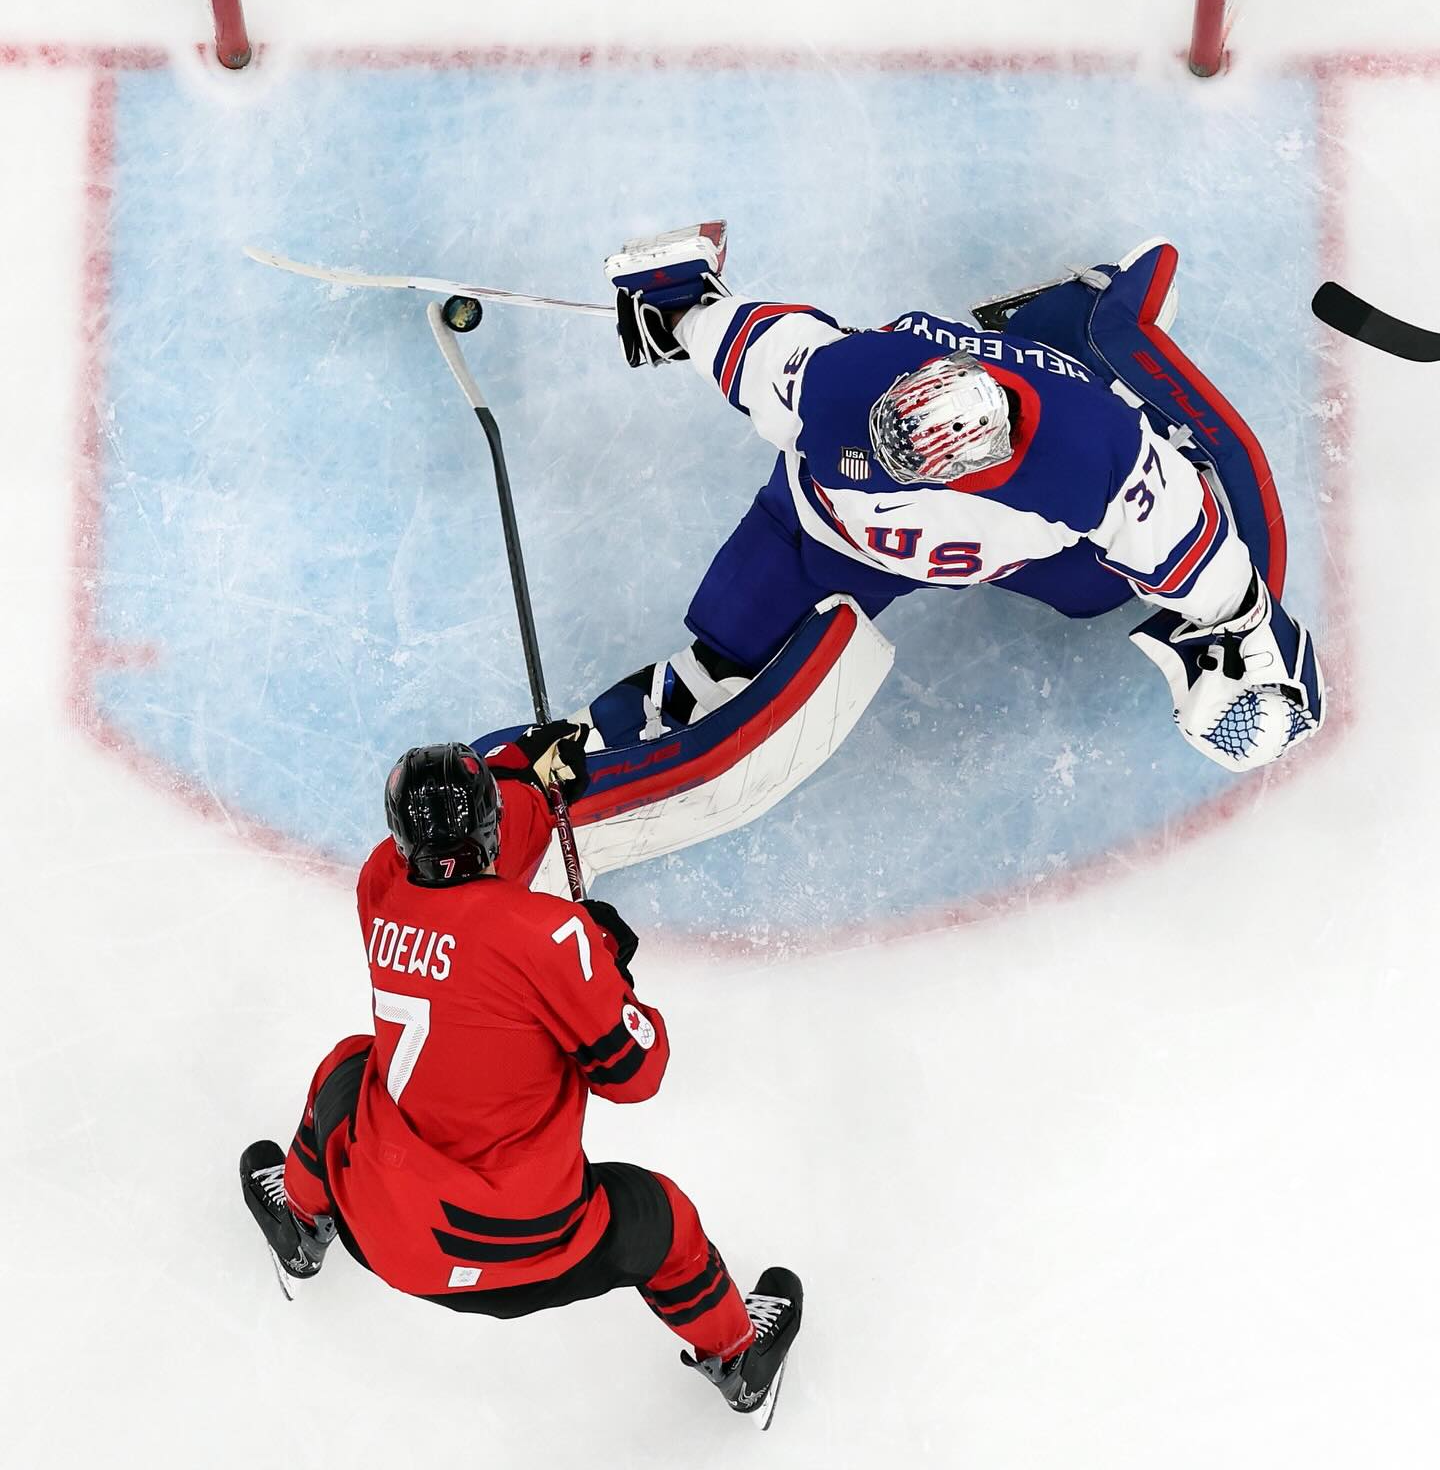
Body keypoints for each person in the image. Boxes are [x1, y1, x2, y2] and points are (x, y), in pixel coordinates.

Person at [580, 224, 1323, 775]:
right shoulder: (825, 379)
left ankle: (1086, 335)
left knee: (1099, 595)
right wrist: (679, 303)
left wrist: (1247, 630)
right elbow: (735, 334)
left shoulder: (1088, 457)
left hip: (1020, 546)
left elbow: (1188, 539)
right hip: (827, 538)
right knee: (730, 659)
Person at [238, 727, 802, 1427]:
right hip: (535, 1247)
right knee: (667, 1223)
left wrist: (520, 772)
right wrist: (610, 969)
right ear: (490, 824)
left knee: (348, 1067)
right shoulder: (553, 938)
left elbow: (467, 892)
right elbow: (635, 1073)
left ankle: (302, 1221)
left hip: (384, 1232)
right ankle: (738, 1361)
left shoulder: (380, 889)